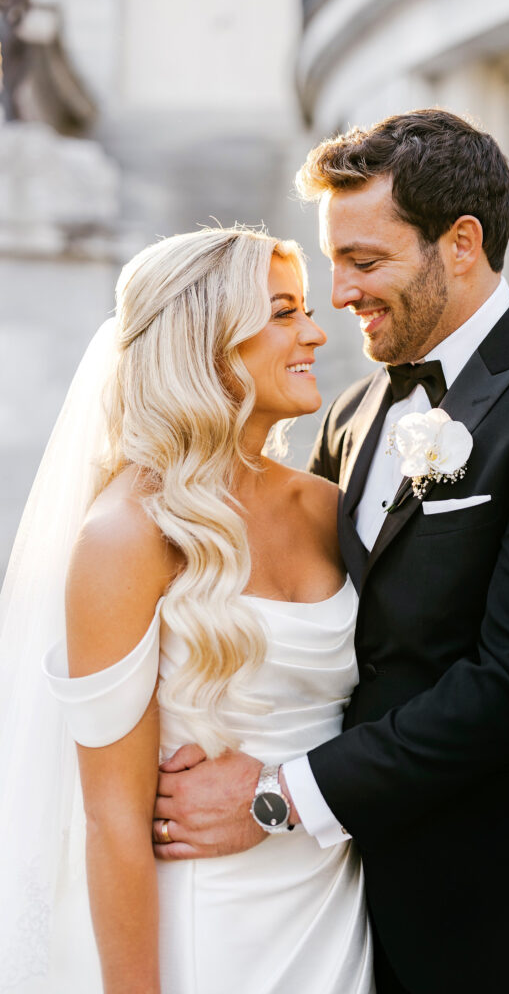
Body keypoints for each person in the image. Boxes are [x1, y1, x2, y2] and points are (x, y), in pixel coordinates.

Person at [154, 110, 509, 994]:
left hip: (507, 907)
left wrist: (278, 797)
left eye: (365, 262)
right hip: (343, 897)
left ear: (459, 243)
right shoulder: (351, 413)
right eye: (333, 263)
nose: (339, 295)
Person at [0, 227, 374, 993]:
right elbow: (110, 821)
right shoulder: (125, 537)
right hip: (208, 930)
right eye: (281, 313)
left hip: (336, 908)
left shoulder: (328, 507)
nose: (314, 330)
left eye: (303, 309)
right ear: (204, 340)